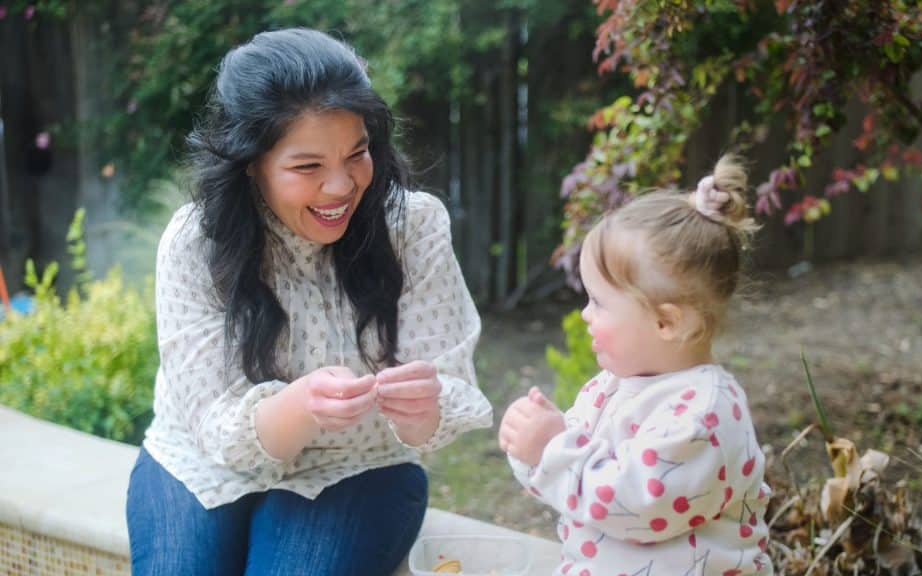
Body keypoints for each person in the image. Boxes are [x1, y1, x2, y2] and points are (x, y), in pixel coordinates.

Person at [126, 28, 492, 576]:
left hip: (358, 467)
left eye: (357, 153)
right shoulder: (195, 243)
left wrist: (424, 407)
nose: (341, 186)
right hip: (198, 468)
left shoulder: (413, 226)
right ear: (251, 162)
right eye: (308, 167)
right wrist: (301, 406)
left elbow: (445, 392)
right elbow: (215, 425)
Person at [499, 155, 772, 575]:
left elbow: (636, 506)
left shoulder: (704, 415)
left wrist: (552, 449)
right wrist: (532, 445)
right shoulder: (610, 385)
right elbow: (571, 483)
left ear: (667, 322)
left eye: (600, 303)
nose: (585, 314)